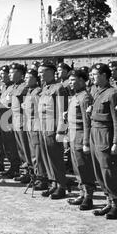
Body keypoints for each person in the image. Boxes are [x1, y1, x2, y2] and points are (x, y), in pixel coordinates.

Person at [88, 64, 117, 219]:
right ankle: (108, 201)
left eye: (95, 74)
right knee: (98, 170)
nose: (92, 76)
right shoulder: (95, 91)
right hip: (94, 133)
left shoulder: (113, 93)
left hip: (106, 134)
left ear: (104, 75)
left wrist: (116, 142)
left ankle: (116, 205)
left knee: (108, 170)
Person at [38, 62, 69, 199]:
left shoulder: (59, 88)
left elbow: (62, 111)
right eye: (39, 72)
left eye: (42, 72)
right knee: (47, 157)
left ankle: (61, 186)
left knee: (56, 158)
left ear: (51, 72)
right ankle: (53, 184)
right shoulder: (45, 88)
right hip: (43, 127)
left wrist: (61, 131)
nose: (40, 74)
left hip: (53, 128)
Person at [65, 68, 95, 210]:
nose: (70, 83)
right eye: (69, 81)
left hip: (81, 135)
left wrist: (86, 142)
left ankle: (88, 197)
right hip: (73, 135)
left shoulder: (85, 97)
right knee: (77, 168)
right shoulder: (76, 96)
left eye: (73, 81)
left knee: (84, 167)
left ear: (82, 81)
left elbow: (87, 121)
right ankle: (82, 193)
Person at [21, 68, 49, 190]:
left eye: (29, 78)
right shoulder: (29, 91)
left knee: (38, 153)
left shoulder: (37, 91)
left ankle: (42, 178)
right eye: (25, 77)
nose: (26, 80)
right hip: (29, 124)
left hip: (35, 125)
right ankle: (35, 175)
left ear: (35, 79)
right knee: (32, 152)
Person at [9, 63, 32, 183]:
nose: (10, 74)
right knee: (19, 149)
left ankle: (29, 172)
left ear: (21, 74)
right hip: (15, 120)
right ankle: (24, 171)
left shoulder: (24, 87)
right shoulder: (14, 86)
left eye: (13, 72)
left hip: (23, 121)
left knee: (25, 148)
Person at [0, 65, 22, 178]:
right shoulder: (5, 88)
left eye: (5, 74)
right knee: (7, 145)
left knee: (14, 146)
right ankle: (12, 167)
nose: (2, 76)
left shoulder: (19, 87)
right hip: (4, 120)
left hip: (12, 120)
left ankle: (16, 168)